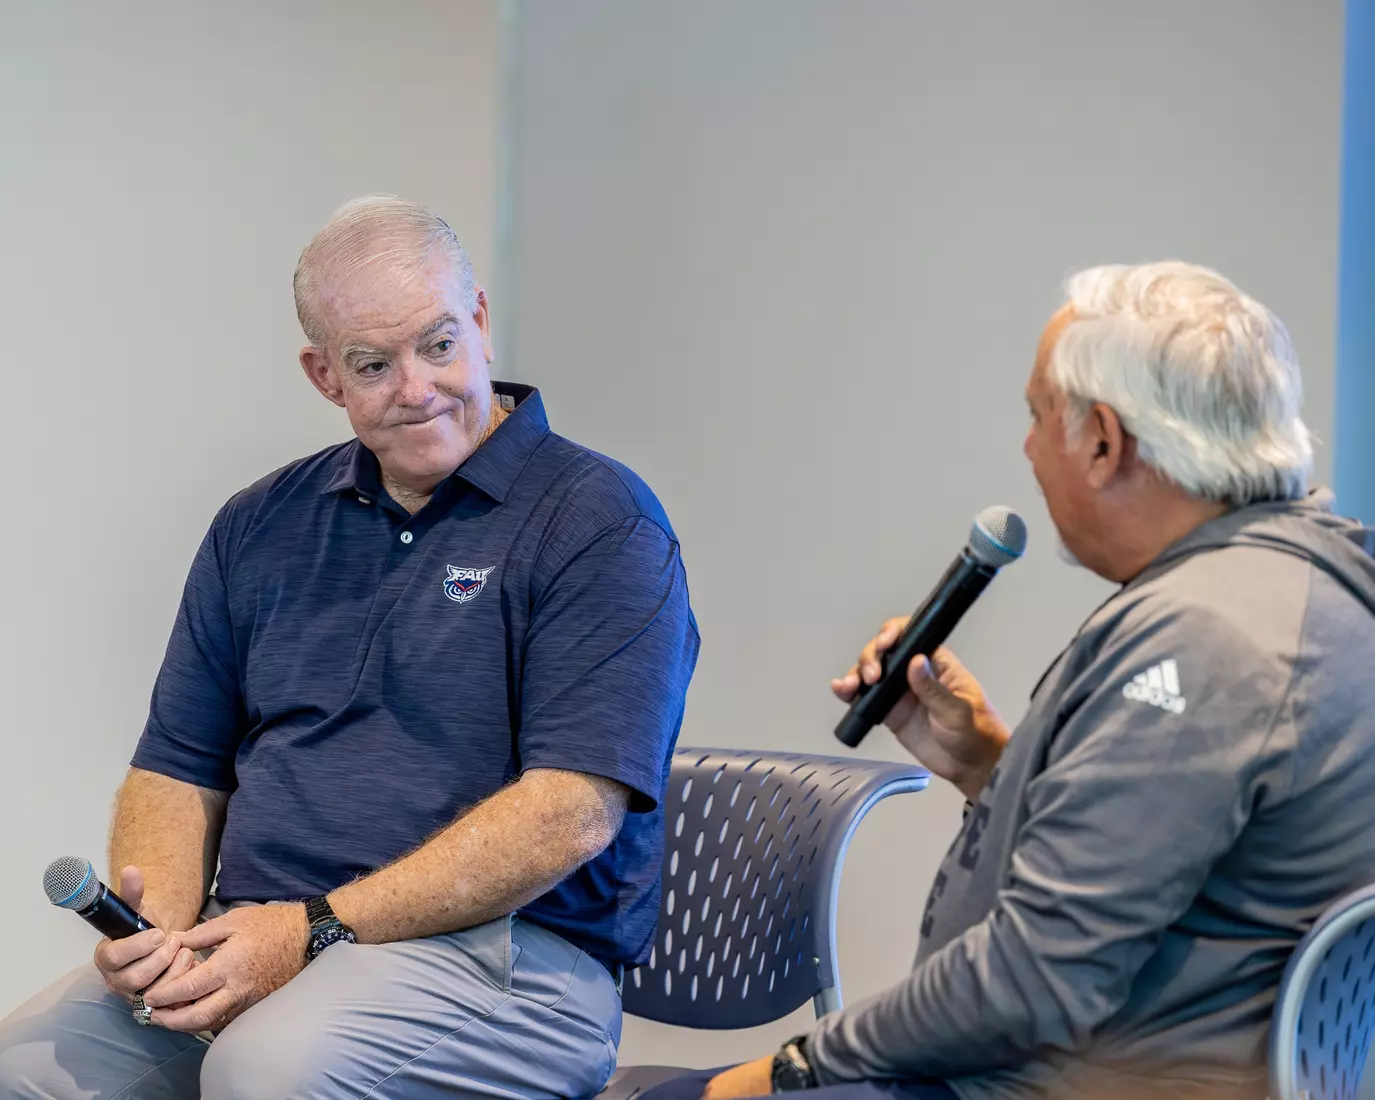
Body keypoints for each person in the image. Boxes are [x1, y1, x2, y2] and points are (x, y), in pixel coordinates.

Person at [0, 196, 699, 1099]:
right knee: (25, 1070)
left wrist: (314, 930)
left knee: (266, 1073)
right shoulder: (258, 525)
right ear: (323, 375)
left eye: (439, 345)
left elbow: (571, 811)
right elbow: (177, 766)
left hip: (506, 963)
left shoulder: (599, 521)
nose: (416, 388)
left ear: (480, 322)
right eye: (373, 363)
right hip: (260, 937)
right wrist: (164, 936)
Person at [646, 262, 1375, 1100]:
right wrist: (987, 761)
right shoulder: (1309, 589)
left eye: (1038, 416)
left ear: (1103, 442)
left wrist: (793, 1066)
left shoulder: (1202, 641)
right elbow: (1178, 860)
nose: (1028, 447)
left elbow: (1034, 980)